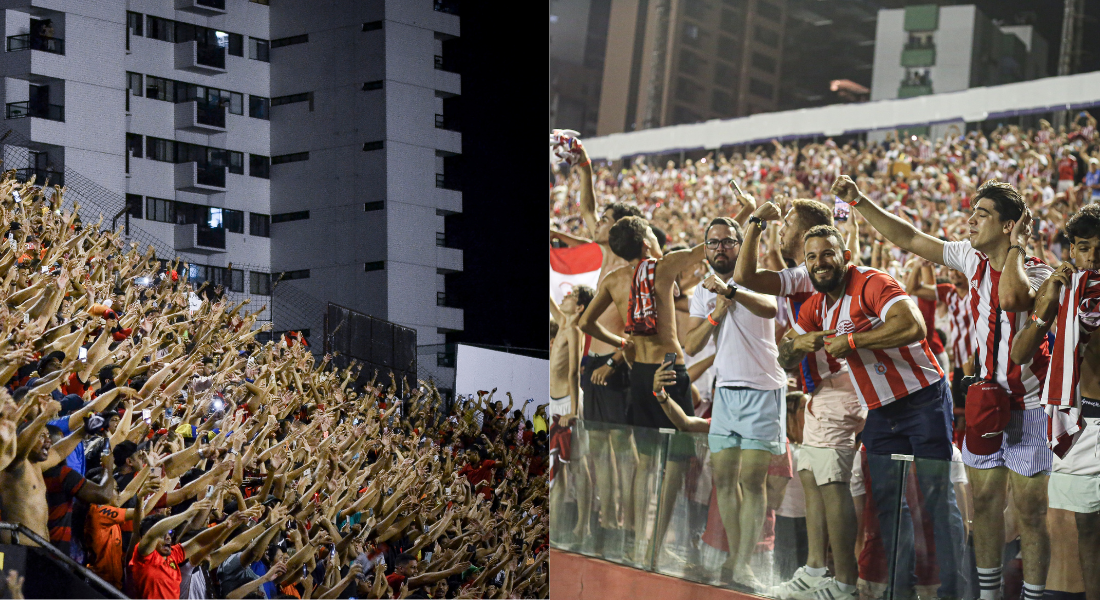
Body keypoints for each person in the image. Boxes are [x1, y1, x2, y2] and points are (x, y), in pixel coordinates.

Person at [835, 174, 1050, 600]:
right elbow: (911, 238)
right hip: (985, 402)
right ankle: (987, 596)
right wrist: (860, 200)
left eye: (982, 214)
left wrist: (1019, 246)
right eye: (972, 212)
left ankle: (1033, 596)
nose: (970, 221)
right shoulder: (970, 258)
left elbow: (1010, 298)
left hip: (1030, 408)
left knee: (1029, 512)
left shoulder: (1039, 273)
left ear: (1010, 225)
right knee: (985, 506)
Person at [776, 224, 963, 600]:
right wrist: (800, 344)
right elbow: (784, 354)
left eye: (827, 253)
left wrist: (853, 340)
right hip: (880, 411)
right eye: (811, 257)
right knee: (890, 510)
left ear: (844, 255)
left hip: (922, 398)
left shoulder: (872, 281)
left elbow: (915, 325)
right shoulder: (815, 306)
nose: (819, 262)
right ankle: (899, 590)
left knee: (936, 502)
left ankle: (957, 593)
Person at [734, 196, 866, 599]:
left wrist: (756, 221)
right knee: (814, 478)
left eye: (788, 221)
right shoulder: (803, 273)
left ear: (806, 227)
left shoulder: (815, 274)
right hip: (824, 391)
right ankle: (816, 570)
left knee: (830, 483)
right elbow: (747, 275)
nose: (783, 227)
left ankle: (843, 582)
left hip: (839, 388)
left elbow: (745, 277)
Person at [579, 215, 704, 565]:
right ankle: (655, 550)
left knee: (646, 465)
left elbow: (584, 323)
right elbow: (707, 247)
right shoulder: (663, 268)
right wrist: (750, 212)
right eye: (651, 231)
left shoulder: (613, 279)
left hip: (639, 373)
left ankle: (636, 546)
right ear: (647, 241)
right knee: (676, 463)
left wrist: (621, 340)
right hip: (668, 370)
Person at [682, 216, 785, 589]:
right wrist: (716, 310)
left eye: (728, 241)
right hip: (725, 392)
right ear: (705, 248)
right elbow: (691, 345)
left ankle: (743, 564)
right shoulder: (700, 291)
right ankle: (735, 560)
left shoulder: (759, 277)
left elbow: (770, 310)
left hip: (762, 389)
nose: (720, 248)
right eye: (713, 242)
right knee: (724, 481)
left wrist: (730, 291)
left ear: (741, 245)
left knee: (753, 481)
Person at [1008, 204, 1100, 600]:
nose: (1093, 258)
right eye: (1084, 248)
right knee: (1089, 537)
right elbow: (1019, 353)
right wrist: (1049, 306)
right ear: (1071, 253)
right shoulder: (1062, 292)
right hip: (1084, 423)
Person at [560, 133, 642, 551]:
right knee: (598, 451)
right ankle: (602, 520)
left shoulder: (630, 263)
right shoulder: (604, 252)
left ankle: (621, 523)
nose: (598, 222)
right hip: (594, 362)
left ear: (622, 228)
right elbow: (588, 206)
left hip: (615, 361)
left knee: (619, 449)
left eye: (608, 219)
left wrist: (620, 358)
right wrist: (584, 164)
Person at [548, 285, 594, 548]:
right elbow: (552, 301)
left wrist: (574, 412)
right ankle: (558, 526)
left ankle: (583, 526)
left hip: (569, 404)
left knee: (578, 466)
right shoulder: (562, 322)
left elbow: (575, 373)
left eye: (572, 296)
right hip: (556, 405)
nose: (565, 296)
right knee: (560, 470)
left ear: (579, 307)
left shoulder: (575, 330)